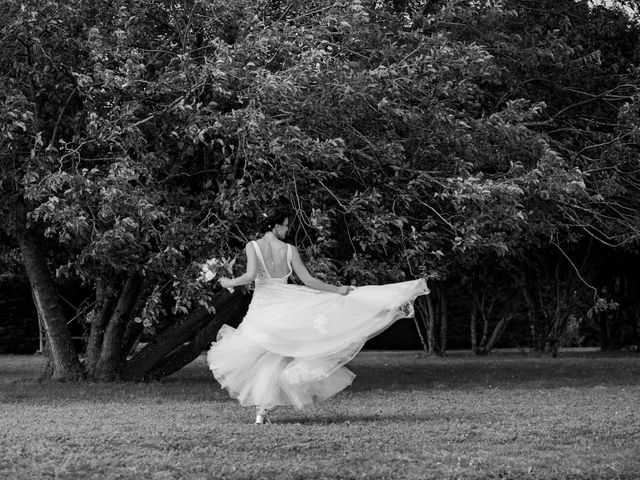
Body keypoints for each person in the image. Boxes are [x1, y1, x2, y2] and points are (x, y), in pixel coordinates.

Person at [206, 207, 429, 424]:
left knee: (267, 357)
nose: (287, 230)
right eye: (284, 226)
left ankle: (262, 411)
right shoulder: (290, 249)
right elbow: (309, 281)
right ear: (274, 226)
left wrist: (230, 282)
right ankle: (264, 408)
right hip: (285, 306)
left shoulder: (252, 246)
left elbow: (250, 275)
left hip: (263, 308)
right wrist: (337, 290)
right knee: (282, 357)